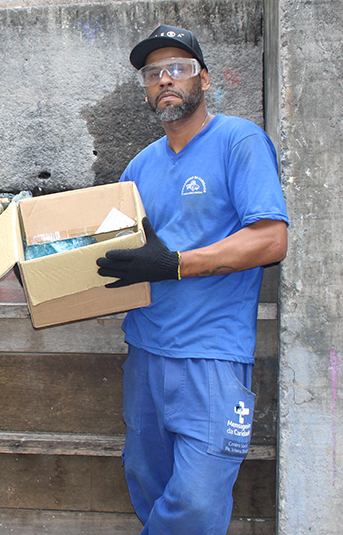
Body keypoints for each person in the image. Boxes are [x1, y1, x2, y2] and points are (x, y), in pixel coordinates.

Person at [95, 25, 288, 534]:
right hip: (146, 353)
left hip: (211, 357)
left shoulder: (238, 140)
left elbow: (271, 240)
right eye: (153, 72)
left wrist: (176, 263)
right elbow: (109, 249)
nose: (165, 80)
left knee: (197, 504)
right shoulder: (139, 165)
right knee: (146, 481)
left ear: (203, 77)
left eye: (177, 68)